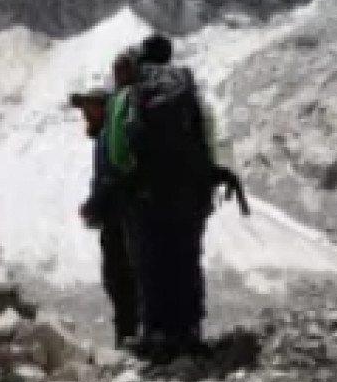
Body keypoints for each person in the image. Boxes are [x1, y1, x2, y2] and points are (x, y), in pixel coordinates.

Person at [106, 35, 248, 362]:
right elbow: (213, 141)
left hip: (147, 197)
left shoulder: (130, 96)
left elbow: (117, 151)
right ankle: (189, 333)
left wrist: (132, 181)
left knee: (151, 264)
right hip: (190, 196)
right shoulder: (191, 95)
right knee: (186, 260)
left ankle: (156, 337)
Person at [71, 83, 137, 348]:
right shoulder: (118, 134)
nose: (85, 114)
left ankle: (127, 342)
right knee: (129, 280)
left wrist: (93, 206)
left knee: (119, 281)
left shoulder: (107, 137)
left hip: (118, 220)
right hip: (132, 218)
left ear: (103, 108)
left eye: (89, 107)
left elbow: (108, 179)